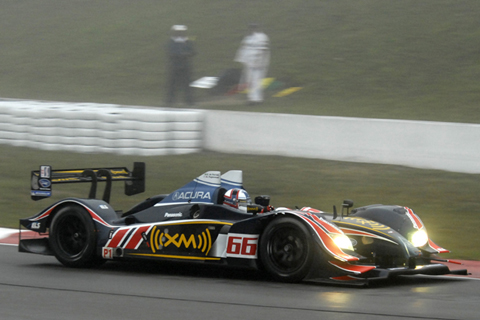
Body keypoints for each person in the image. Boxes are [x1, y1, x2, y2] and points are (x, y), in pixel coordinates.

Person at [234, 23, 270, 104]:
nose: (251, 30)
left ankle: (257, 99)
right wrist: (243, 60)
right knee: (250, 81)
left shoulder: (262, 37)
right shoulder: (248, 38)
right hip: (249, 63)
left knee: (256, 80)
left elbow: (263, 50)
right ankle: (251, 98)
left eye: (253, 28)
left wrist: (260, 62)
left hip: (258, 63)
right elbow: (244, 50)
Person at [166, 25, 196, 107]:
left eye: (181, 32)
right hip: (175, 66)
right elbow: (171, 53)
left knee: (187, 84)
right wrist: (182, 54)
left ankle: (189, 101)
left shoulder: (188, 41)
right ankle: (170, 101)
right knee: (172, 84)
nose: (179, 34)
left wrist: (185, 54)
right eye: (178, 32)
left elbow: (192, 52)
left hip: (185, 66)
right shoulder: (172, 42)